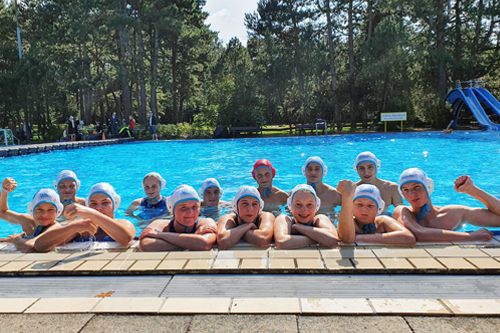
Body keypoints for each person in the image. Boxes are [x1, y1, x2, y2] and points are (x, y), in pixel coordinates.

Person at [393, 168, 500, 242]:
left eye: (416, 187)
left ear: (428, 187)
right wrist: (471, 236)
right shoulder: (402, 211)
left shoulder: (452, 214)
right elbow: (418, 234)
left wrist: (472, 190)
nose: (412, 194)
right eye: (406, 190)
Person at [33, 183, 136, 251]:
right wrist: (73, 227)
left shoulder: (123, 223)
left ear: (115, 205)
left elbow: (126, 239)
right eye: (93, 204)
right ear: (88, 205)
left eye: (105, 203)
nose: (98, 208)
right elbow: (40, 246)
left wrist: (92, 214)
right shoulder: (80, 227)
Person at [139, 185, 217, 251]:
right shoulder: (160, 223)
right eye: (183, 207)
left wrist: (161, 235)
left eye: (194, 206)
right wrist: (193, 241)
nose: (190, 212)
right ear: (172, 209)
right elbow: (146, 245)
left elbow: (205, 243)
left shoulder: (206, 222)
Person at [336, 181, 415, 245]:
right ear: (351, 206)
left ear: (379, 209)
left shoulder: (382, 222)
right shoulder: (350, 223)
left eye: (370, 206)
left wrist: (358, 238)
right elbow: (347, 239)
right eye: (359, 205)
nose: (364, 209)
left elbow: (408, 237)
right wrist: (347, 197)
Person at [0, 181, 64, 252]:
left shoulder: (55, 227)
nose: (45, 214)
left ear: (58, 212)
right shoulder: (27, 221)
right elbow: (2, 213)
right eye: (39, 209)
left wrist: (15, 239)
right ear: (31, 210)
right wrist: (4, 190)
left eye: (50, 210)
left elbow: (29, 247)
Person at [274, 184, 339, 249]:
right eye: (298, 204)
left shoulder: (320, 218)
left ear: (317, 206)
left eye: (309, 205)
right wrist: (320, 238)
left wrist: (299, 227)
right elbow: (281, 242)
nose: (304, 210)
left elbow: (333, 240)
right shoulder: (284, 219)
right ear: (290, 205)